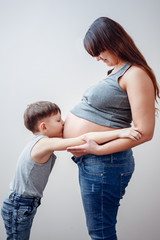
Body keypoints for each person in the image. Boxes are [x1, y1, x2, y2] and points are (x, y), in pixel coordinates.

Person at [64, 17, 160, 240]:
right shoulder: (118, 71)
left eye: (99, 51)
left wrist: (96, 150)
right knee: (100, 231)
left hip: (105, 161)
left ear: (114, 41)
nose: (97, 58)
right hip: (97, 162)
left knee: (101, 232)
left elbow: (145, 131)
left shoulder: (135, 73)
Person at [1, 101, 141, 240]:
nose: (63, 123)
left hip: (21, 203)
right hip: (19, 205)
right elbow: (82, 140)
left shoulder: (38, 142)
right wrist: (120, 133)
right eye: (58, 120)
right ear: (43, 126)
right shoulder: (43, 143)